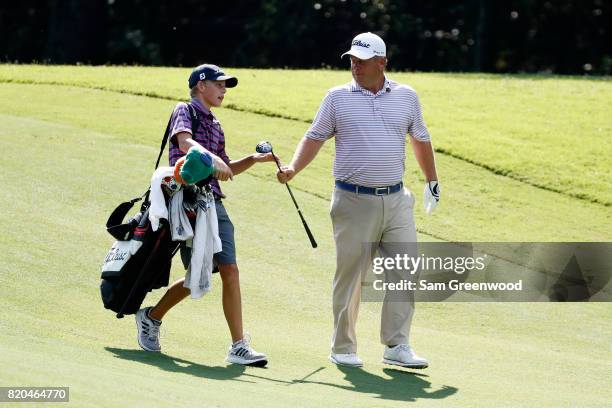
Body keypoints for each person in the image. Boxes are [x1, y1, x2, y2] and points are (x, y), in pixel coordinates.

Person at [277, 33, 440, 368]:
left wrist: (432, 181)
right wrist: (294, 168)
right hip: (353, 200)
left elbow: (420, 139)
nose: (355, 66)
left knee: (405, 270)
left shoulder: (407, 97)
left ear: (382, 62)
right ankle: (343, 348)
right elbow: (314, 137)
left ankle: (397, 344)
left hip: (396, 200)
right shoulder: (337, 98)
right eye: (352, 59)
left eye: (362, 61)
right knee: (351, 277)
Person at [135, 64, 274, 367]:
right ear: (201, 85)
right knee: (196, 275)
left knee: (229, 269)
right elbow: (186, 144)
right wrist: (211, 159)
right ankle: (152, 316)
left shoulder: (216, 124)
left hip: (211, 202)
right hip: (183, 201)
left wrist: (253, 159)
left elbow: (226, 169)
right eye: (219, 84)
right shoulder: (184, 110)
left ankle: (238, 345)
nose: (224, 90)